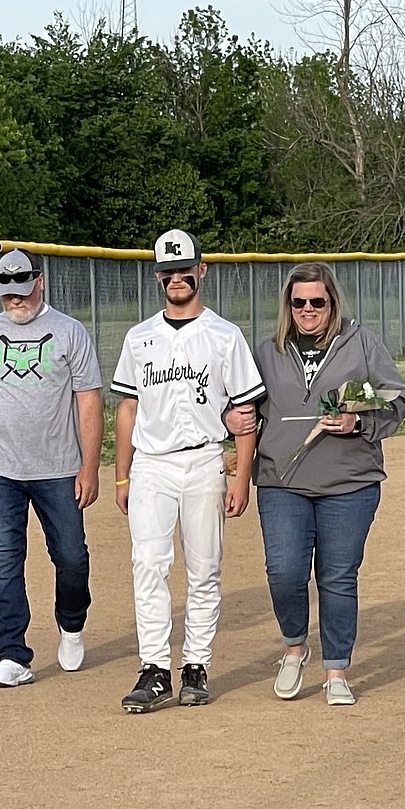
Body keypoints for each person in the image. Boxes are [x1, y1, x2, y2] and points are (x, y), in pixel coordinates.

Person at [226, 261, 405, 706]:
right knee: (284, 571)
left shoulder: (361, 342)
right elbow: (238, 406)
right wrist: (229, 418)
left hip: (350, 482)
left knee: (338, 576)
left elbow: (397, 399)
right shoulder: (266, 352)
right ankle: (294, 647)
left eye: (318, 302)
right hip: (282, 480)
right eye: (299, 302)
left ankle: (336, 670)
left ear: (332, 302)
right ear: (288, 306)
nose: (308, 309)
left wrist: (358, 420)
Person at [111, 229, 266, 713]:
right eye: (167, 273)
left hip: (204, 460)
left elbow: (245, 413)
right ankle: (155, 669)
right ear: (158, 277)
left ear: (201, 271)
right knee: (148, 566)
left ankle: (196, 664)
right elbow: (128, 409)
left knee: (204, 569)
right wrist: (122, 476)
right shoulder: (140, 338)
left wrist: (240, 476)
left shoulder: (225, 336)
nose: (176, 279)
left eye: (184, 270)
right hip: (152, 465)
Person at [0, 248, 103, 688]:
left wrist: (89, 467)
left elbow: (89, 400)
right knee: (4, 562)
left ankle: (71, 622)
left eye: (23, 290)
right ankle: (13, 654)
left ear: (40, 282)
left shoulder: (69, 332)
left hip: (58, 468)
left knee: (72, 558)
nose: (15, 300)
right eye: (7, 292)